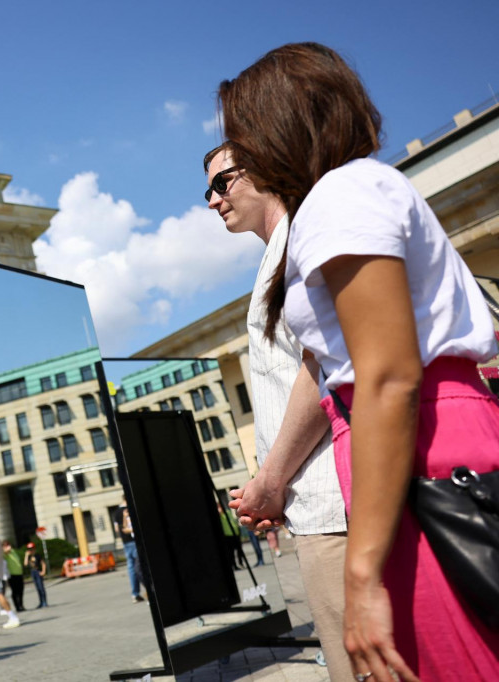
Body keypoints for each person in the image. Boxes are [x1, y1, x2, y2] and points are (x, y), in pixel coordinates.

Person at [218, 41, 499, 681]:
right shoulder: (349, 194)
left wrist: (362, 571)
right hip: (417, 439)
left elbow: (386, 374)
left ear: (278, 127)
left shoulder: (339, 196)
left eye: (244, 134)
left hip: (421, 448)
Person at [205, 144, 349, 679]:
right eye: (209, 191)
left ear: (265, 168)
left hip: (335, 505)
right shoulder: (277, 255)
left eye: (223, 183)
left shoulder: (297, 242)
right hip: (321, 503)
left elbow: (322, 367)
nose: (214, 201)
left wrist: (271, 478)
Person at [114, 496, 144, 603]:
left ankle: (135, 593)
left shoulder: (117, 512)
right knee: (139, 567)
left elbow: (117, 529)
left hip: (125, 542)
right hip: (134, 541)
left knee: (132, 567)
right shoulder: (130, 509)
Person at [1, 540, 25, 612]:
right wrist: (6, 550)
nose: (8, 546)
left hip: (19, 573)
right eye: (6, 545)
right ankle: (17, 606)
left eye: (8, 545)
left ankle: (21, 605)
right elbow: (2, 555)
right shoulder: (5, 554)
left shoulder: (13, 552)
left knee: (20, 590)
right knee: (15, 591)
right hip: (12, 575)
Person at [23, 543, 48, 608]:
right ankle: (41, 602)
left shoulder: (37, 555)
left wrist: (43, 571)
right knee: (37, 588)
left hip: (38, 571)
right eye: (29, 549)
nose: (30, 551)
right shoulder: (29, 556)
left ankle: (44, 602)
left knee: (41, 587)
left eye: (31, 549)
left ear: (34, 549)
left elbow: (43, 563)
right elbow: (25, 564)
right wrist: (26, 555)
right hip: (33, 572)